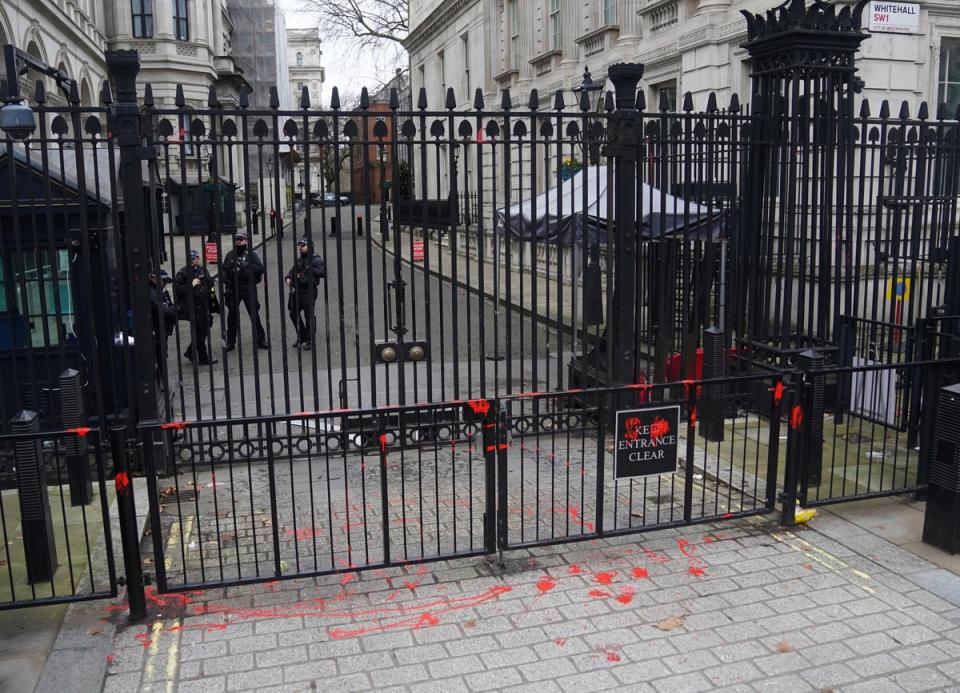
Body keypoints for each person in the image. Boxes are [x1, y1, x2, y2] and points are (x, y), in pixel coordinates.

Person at [221, 231, 268, 350]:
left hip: (247, 287)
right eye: (237, 239)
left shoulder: (251, 254)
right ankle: (231, 342)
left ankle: (260, 339)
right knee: (232, 315)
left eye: (241, 240)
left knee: (253, 313)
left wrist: (247, 266)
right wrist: (226, 280)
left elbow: (260, 268)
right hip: (233, 288)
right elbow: (223, 271)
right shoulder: (230, 255)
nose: (238, 241)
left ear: (246, 241)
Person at [174, 250, 218, 365]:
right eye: (190, 259)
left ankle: (190, 352)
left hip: (204, 305)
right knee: (201, 331)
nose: (192, 261)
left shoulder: (202, 269)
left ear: (197, 259)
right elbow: (177, 290)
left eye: (194, 259)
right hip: (192, 306)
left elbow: (209, 284)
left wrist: (213, 303)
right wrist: (191, 285)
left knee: (202, 331)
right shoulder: (183, 273)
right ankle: (203, 358)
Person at [285, 237, 326, 349]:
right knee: (293, 313)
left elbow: (323, 272)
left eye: (303, 246)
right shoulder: (299, 260)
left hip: (309, 291)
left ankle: (310, 339)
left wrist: (310, 269)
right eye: (300, 246)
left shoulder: (315, 259)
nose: (300, 248)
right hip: (297, 291)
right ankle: (302, 335)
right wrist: (288, 277)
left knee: (309, 316)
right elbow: (291, 271)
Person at [149, 269, 176, 385]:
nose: (165, 284)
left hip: (163, 327)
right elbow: (162, 310)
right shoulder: (152, 293)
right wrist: (175, 310)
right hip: (157, 328)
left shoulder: (159, 290)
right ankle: (161, 380)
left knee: (162, 352)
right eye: (163, 281)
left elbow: (168, 304)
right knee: (160, 353)